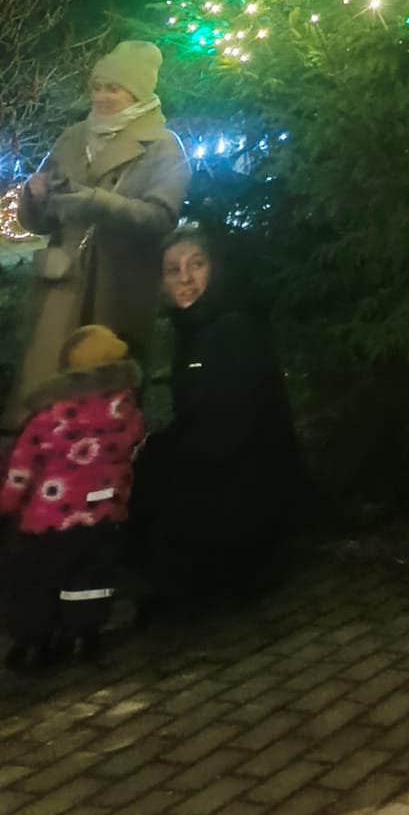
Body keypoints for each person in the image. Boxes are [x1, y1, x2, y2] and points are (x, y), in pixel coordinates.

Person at [4, 41, 188, 436]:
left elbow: (161, 217)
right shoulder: (73, 138)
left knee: (100, 410)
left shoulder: (163, 146)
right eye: (97, 87)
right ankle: (33, 467)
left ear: (137, 93)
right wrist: (34, 197)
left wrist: (95, 203)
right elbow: (37, 223)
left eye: (113, 88)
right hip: (61, 286)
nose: (102, 96)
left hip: (117, 289)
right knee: (40, 399)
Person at [127, 224, 303, 612]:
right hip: (222, 454)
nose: (185, 278)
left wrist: (164, 453)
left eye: (197, 265)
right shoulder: (194, 326)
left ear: (215, 269)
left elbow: (230, 425)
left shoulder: (230, 328)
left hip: (247, 470)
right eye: (173, 270)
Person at [1, 323, 144, 671]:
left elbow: (22, 468)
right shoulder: (128, 413)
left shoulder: (48, 417)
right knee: (88, 581)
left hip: (50, 520)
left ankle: (33, 646)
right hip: (104, 516)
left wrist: (7, 503)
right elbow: (134, 450)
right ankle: (83, 639)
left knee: (36, 582)